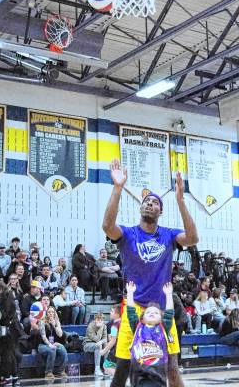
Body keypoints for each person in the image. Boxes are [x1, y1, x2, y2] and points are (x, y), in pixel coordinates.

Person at [102, 159, 198, 387]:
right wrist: (117, 188)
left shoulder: (168, 235)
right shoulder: (128, 234)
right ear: (140, 207)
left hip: (162, 310)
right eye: (146, 201)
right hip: (134, 308)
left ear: (160, 211)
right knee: (122, 369)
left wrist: (181, 200)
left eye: (155, 202)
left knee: (171, 368)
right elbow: (107, 226)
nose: (149, 204)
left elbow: (193, 238)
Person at [126, 281, 175, 387]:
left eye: (156, 312)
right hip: (138, 375)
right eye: (148, 312)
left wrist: (168, 295)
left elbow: (169, 313)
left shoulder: (163, 327)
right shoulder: (138, 327)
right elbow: (130, 312)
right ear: (142, 319)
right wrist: (130, 293)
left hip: (157, 375)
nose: (152, 313)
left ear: (161, 318)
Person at [30, 306, 67, 379]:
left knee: (62, 348)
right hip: (43, 345)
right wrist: (50, 344)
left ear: (55, 313)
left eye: (52, 312)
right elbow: (43, 337)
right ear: (46, 313)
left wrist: (54, 325)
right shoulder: (42, 321)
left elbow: (60, 334)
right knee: (52, 349)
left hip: (53, 343)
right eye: (49, 312)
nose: (51, 313)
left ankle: (61, 371)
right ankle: (48, 372)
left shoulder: (57, 321)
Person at [83, 313, 107, 377]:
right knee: (98, 346)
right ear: (95, 319)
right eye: (98, 319)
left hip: (98, 344)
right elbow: (96, 339)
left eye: (101, 320)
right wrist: (100, 328)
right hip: (87, 344)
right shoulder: (90, 326)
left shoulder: (104, 326)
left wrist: (101, 342)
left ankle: (106, 368)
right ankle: (97, 369)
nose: (100, 321)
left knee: (107, 347)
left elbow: (105, 338)